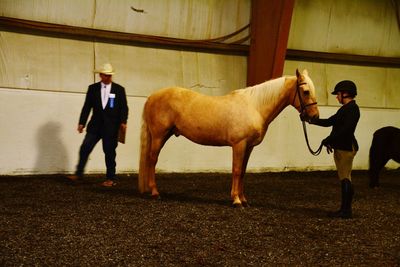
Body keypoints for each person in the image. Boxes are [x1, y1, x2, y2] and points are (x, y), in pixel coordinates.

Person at [68, 63, 129, 187]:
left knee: (110, 152)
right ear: (100, 75)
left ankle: (111, 178)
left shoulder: (119, 89)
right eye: (105, 75)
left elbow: (124, 108)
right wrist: (81, 123)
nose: (108, 77)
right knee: (85, 148)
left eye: (109, 75)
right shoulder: (93, 88)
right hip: (95, 126)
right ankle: (79, 174)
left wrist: (123, 121)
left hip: (111, 127)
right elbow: (87, 107)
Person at [309, 80, 360, 219]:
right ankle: (345, 209)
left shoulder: (352, 110)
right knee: (345, 178)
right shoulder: (346, 109)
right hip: (343, 146)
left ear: (345, 93)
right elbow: (329, 122)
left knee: (345, 178)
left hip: (346, 147)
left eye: (338, 94)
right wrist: (310, 120)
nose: (337, 97)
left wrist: (329, 139)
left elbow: (346, 130)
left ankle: (346, 211)